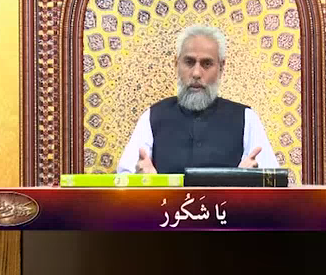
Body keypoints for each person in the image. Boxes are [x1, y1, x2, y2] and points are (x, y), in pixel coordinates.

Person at [117, 23, 279, 174]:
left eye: (206, 64)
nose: (196, 73)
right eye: (189, 62)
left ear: (221, 67)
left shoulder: (246, 118)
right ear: (176, 64)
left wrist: (247, 180)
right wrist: (143, 182)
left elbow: (274, 183)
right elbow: (123, 179)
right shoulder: (153, 116)